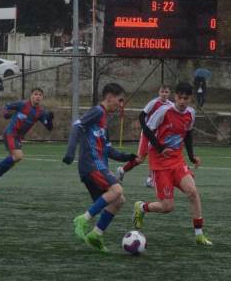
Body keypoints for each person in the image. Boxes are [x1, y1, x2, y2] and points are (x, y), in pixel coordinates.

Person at [132, 82, 212, 246]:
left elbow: (188, 134)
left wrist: (191, 157)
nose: (182, 101)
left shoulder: (191, 113)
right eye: (179, 97)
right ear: (175, 97)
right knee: (167, 207)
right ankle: (142, 207)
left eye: (186, 98)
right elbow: (147, 130)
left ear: (191, 99)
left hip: (177, 160)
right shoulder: (164, 111)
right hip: (159, 162)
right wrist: (161, 148)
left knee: (192, 192)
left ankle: (199, 234)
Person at [62, 83, 137, 252]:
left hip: (98, 165)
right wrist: (71, 151)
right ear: (109, 97)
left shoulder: (104, 122)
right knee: (117, 190)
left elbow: (109, 150)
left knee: (118, 200)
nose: (121, 104)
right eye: (120, 100)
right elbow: (77, 126)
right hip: (92, 164)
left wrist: (128, 157)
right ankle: (82, 219)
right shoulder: (97, 111)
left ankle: (96, 234)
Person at [0, 87, 53, 189]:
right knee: (18, 156)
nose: (38, 96)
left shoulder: (40, 112)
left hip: (18, 137)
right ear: (31, 96)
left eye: (40, 95)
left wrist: (50, 120)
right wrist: (6, 113)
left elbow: (49, 127)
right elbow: (6, 107)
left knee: (14, 160)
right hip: (10, 133)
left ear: (42, 98)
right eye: (35, 94)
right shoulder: (22, 104)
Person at [116, 84, 173, 187]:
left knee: (157, 155)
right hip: (148, 134)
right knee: (140, 159)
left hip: (158, 136)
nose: (164, 94)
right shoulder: (154, 103)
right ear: (159, 93)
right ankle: (122, 170)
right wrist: (145, 129)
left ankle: (150, 179)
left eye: (166, 92)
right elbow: (142, 115)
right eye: (162, 92)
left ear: (169, 93)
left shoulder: (171, 105)